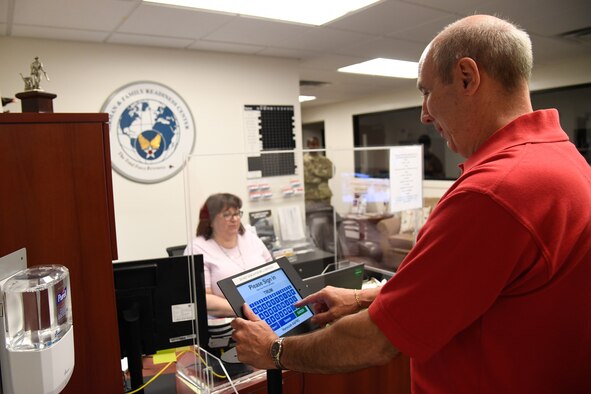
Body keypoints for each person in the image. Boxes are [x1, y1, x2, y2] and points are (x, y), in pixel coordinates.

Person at [230, 14, 591, 393]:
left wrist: (274, 350)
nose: (424, 113)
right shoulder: (566, 161)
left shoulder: (491, 194)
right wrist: (361, 298)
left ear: (467, 77)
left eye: (426, 91)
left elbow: (377, 341)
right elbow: (468, 291)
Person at [184, 193, 272, 317]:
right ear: (210, 220)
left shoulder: (250, 239)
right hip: (228, 321)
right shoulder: (197, 248)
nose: (234, 219)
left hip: (268, 311)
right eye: (227, 215)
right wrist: (250, 310)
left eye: (236, 213)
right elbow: (203, 298)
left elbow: (274, 271)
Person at [303, 136, 333, 208]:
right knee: (310, 217)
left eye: (316, 144)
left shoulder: (325, 160)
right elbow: (306, 178)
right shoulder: (303, 161)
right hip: (310, 196)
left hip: (324, 195)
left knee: (326, 216)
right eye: (312, 144)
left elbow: (330, 174)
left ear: (318, 145)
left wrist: (314, 171)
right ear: (308, 145)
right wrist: (321, 175)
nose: (314, 146)